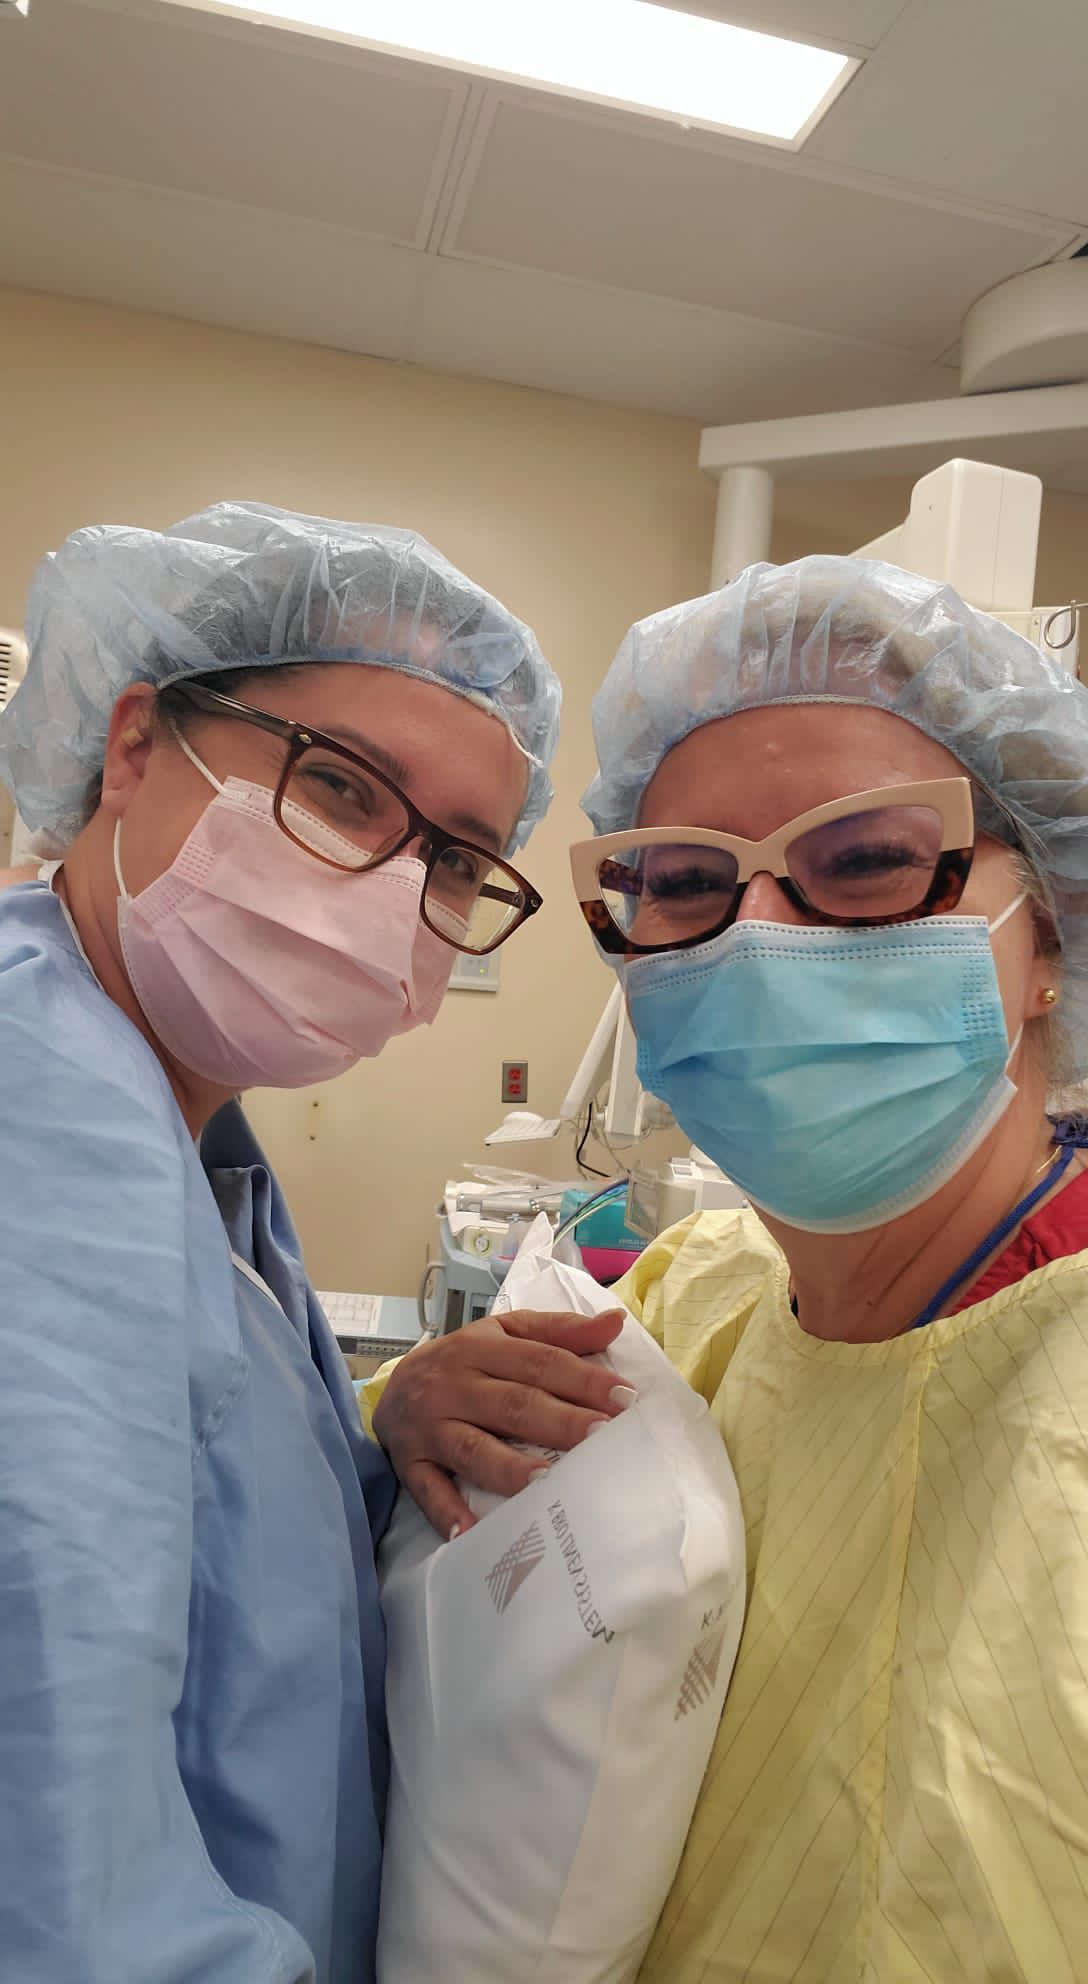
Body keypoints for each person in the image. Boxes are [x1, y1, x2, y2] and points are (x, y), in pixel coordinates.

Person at [0, 501, 629, 1983]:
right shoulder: (42, 1118)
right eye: (343, 788)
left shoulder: (179, 1129)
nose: (393, 892)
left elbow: (182, 1533)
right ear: (136, 744)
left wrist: (364, 1433)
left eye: (462, 860)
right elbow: (54, 1842)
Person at [564, 555, 1088, 1982]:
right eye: (685, 882)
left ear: (1051, 928)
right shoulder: (686, 1302)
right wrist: (426, 1420)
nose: (758, 938)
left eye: (864, 862)